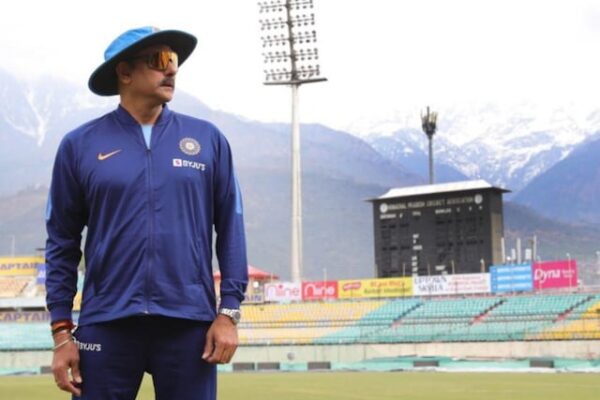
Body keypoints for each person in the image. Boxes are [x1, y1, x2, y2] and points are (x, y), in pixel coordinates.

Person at [45, 26, 248, 400]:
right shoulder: (79, 145)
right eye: (159, 60)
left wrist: (229, 312)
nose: (171, 69)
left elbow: (231, 229)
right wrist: (61, 332)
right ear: (125, 72)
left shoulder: (208, 140)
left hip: (189, 322)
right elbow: (61, 241)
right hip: (107, 321)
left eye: (174, 60)